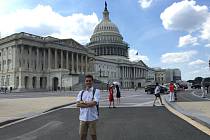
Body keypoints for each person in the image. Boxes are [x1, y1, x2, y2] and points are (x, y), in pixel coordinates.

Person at [76, 74, 100, 140]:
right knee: (82, 137)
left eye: (89, 81)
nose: (88, 82)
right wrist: (90, 103)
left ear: (92, 81)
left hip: (92, 118)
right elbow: (78, 104)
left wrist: (83, 102)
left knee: (93, 136)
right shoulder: (81, 92)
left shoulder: (96, 91)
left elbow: (95, 103)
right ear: (85, 82)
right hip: (82, 118)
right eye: (87, 81)